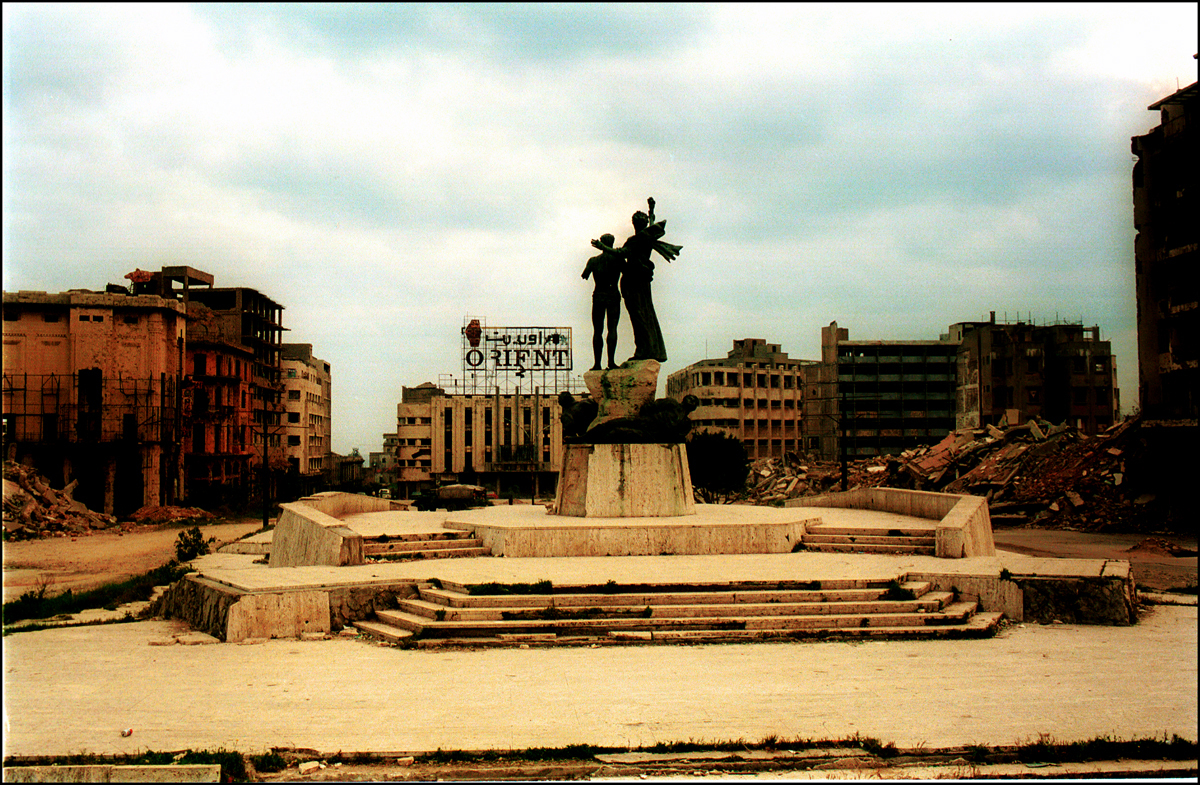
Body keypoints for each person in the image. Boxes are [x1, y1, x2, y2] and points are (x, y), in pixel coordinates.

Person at [591, 197, 681, 363]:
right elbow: (652, 225)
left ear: (634, 224)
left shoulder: (636, 240)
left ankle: (643, 349)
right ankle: (649, 348)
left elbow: (620, 253)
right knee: (645, 313)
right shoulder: (647, 237)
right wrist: (651, 210)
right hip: (641, 281)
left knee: (638, 315)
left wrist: (603, 247)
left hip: (633, 282)